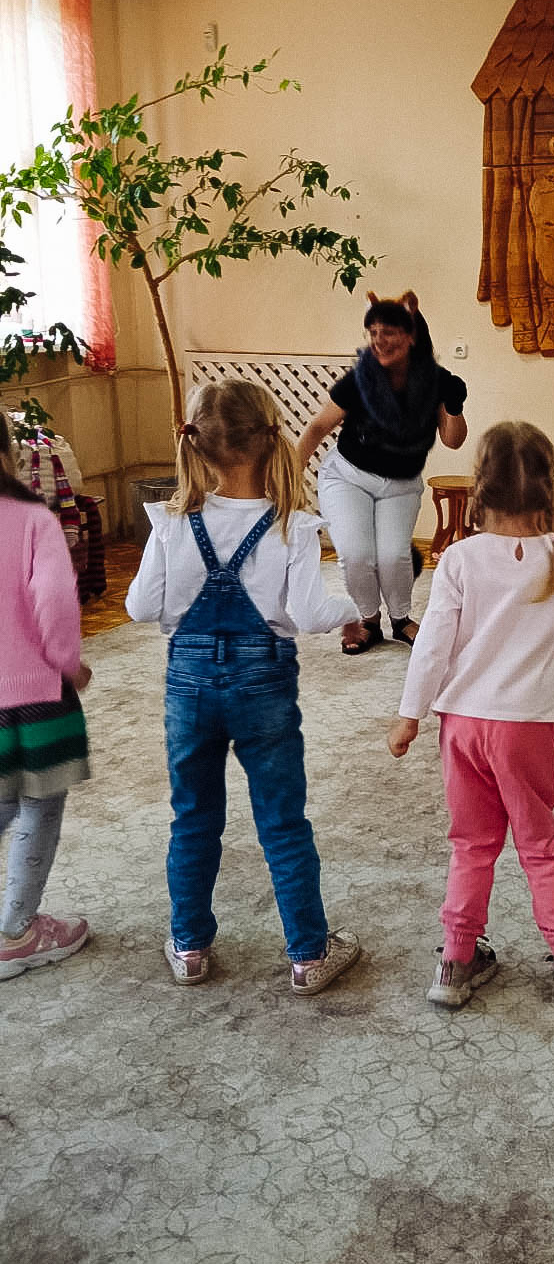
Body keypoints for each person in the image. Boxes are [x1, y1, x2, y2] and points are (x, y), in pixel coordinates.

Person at [127, 379, 362, 995]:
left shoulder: (172, 522)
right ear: (270, 439)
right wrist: (352, 611)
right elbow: (309, 614)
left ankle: (189, 947)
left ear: (196, 444)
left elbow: (139, 606)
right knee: (283, 822)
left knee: (193, 817)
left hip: (189, 689)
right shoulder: (291, 525)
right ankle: (308, 955)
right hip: (264, 690)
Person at [387, 422, 554, 1014]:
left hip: (462, 726)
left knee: (472, 843)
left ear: (480, 487)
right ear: (547, 486)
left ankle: (455, 961)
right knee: (541, 842)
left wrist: (409, 715)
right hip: (528, 724)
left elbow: (432, 646)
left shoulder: (457, 559)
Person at [298, 291, 468, 655]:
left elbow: (453, 441)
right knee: (356, 553)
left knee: (393, 556)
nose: (379, 340)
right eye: (373, 332)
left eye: (388, 332)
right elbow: (317, 428)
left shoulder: (435, 381)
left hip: (401, 483)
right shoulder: (360, 381)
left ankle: (401, 619)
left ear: (411, 338)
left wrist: (454, 405)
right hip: (347, 477)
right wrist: (287, 478)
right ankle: (369, 620)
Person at [0, 412, 91, 980]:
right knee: (38, 804)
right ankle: (17, 930)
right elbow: (54, 600)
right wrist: (68, 664)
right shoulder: (33, 520)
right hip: (37, 697)